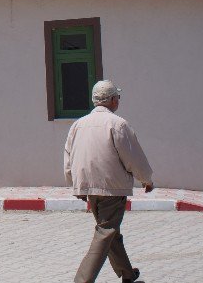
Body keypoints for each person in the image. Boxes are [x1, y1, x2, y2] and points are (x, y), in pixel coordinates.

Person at [64, 80, 153, 283]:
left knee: (111, 232)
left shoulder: (78, 124)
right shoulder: (118, 124)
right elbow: (133, 158)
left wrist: (74, 184)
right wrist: (146, 180)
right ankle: (82, 280)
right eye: (118, 97)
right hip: (112, 188)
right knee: (105, 233)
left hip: (89, 187)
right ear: (113, 100)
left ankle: (128, 274)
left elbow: (68, 156)